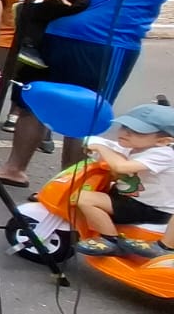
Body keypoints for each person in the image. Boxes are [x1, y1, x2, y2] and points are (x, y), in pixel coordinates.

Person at [0, 0, 174, 185]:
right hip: (54, 31)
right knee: (33, 102)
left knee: (83, 115)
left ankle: (69, 188)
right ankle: (13, 169)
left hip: (107, 42)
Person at [68, 104, 174, 259]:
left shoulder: (164, 154)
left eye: (138, 132)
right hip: (129, 199)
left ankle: (109, 240)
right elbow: (106, 145)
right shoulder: (134, 146)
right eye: (124, 127)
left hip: (150, 208)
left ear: (162, 141)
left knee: (83, 198)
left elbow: (121, 166)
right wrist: (91, 142)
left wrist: (100, 148)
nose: (125, 133)